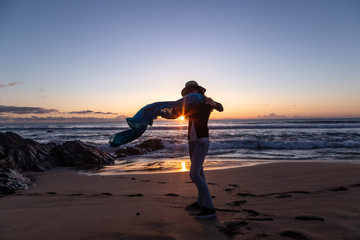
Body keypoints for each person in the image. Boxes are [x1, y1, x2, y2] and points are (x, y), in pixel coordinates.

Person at [181, 81, 224, 219]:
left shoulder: (205, 102)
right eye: (188, 91)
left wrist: (213, 103)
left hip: (201, 141)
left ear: (198, 90)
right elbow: (175, 113)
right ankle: (200, 202)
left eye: (192, 89)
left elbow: (221, 108)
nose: (190, 92)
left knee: (194, 174)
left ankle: (210, 208)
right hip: (192, 141)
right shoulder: (189, 106)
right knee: (199, 171)